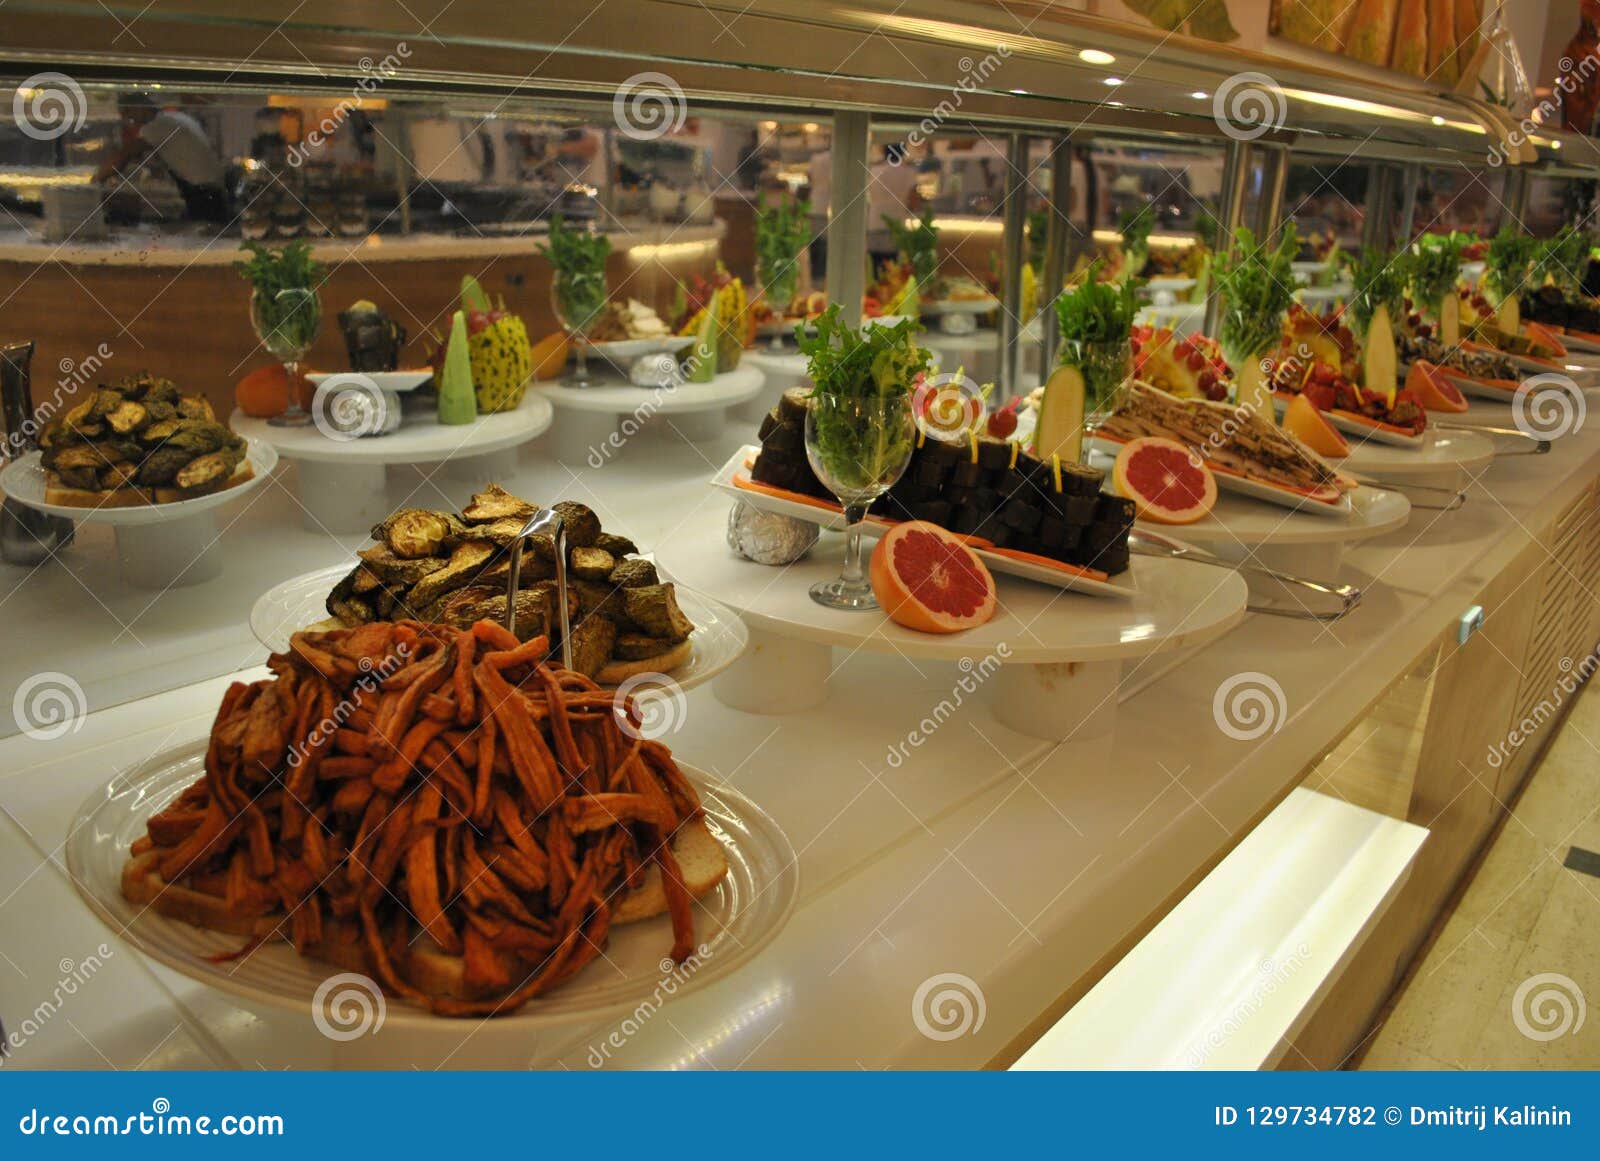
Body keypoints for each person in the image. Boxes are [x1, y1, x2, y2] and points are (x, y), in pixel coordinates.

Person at [96, 95, 230, 223]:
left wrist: (94, 181)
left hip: (204, 196)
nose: (127, 118)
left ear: (140, 107)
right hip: (215, 190)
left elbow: (124, 156)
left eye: (127, 111)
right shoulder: (176, 117)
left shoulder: (156, 126)